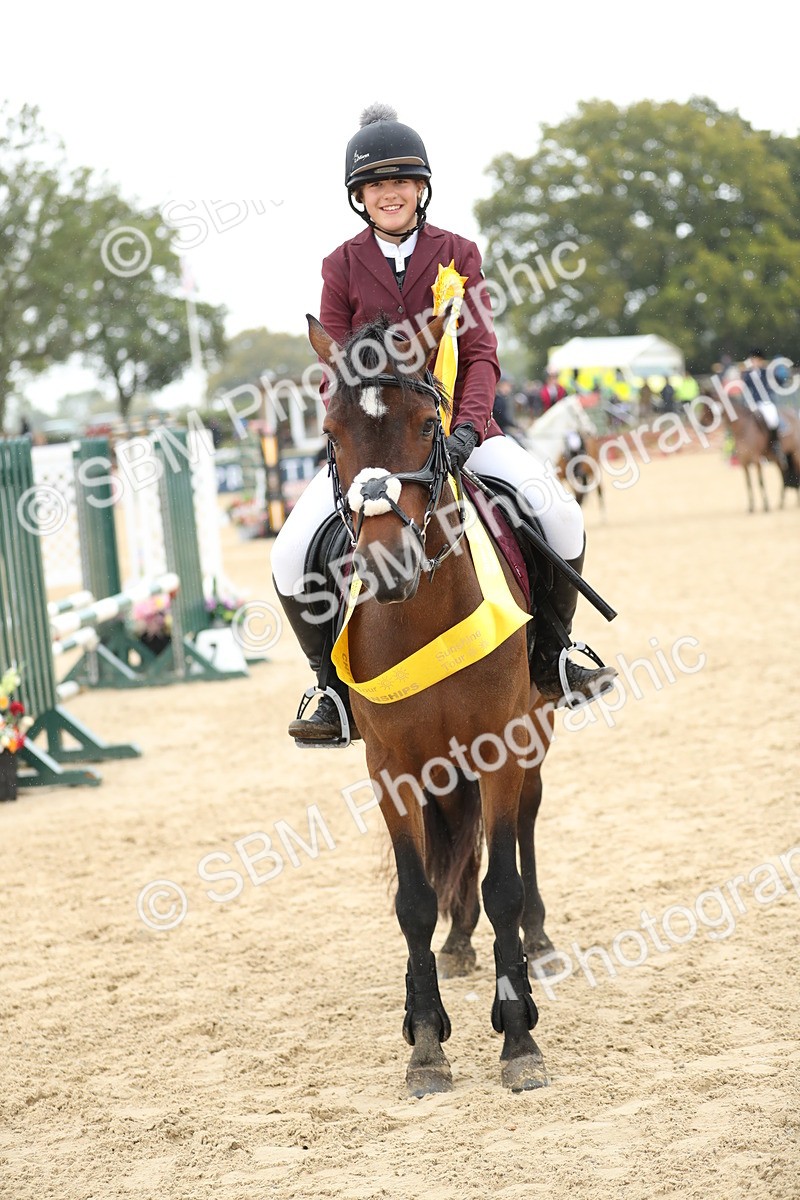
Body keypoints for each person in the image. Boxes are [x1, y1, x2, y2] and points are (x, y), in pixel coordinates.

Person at [271, 104, 617, 743]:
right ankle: (330, 690)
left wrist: (467, 429)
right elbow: (337, 364)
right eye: (377, 184)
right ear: (360, 197)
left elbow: (480, 351)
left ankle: (554, 654)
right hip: (376, 444)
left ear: (421, 188)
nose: (390, 193)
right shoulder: (340, 266)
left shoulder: (459, 253)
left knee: (560, 514)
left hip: (459, 432)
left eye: (401, 181)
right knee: (291, 552)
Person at [742, 349, 787, 469]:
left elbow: (780, 381)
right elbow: (744, 389)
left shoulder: (767, 372)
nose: (754, 362)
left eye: (756, 359)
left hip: (766, 403)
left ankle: (775, 445)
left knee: (773, 420)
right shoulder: (747, 375)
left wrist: (781, 372)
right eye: (752, 360)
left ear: (761, 360)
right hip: (754, 403)